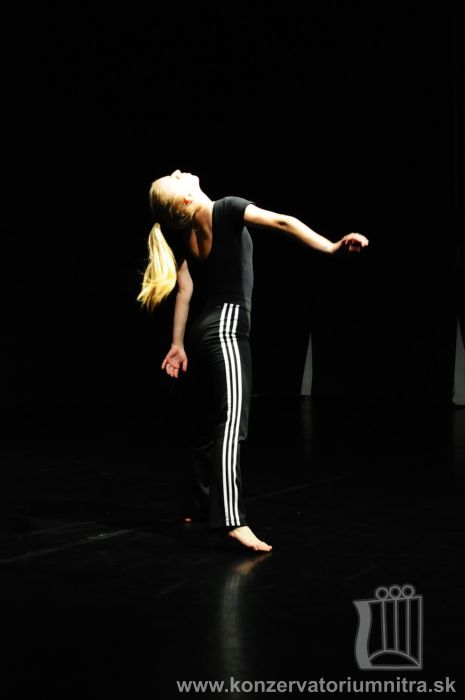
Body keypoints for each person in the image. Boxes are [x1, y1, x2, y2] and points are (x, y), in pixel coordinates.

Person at [137, 170, 369, 552]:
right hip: (226, 329)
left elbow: (185, 290)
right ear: (185, 199)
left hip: (201, 331)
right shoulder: (226, 208)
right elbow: (283, 222)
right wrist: (330, 248)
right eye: (175, 179)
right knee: (232, 423)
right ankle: (231, 519)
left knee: (205, 425)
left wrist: (178, 343)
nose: (180, 172)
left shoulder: (187, 232)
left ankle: (195, 504)